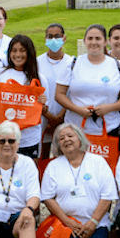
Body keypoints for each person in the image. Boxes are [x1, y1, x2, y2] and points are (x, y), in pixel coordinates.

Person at [41, 123, 117, 238]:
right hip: (66, 223)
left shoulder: (98, 162)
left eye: (70, 136)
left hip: (96, 222)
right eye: (61, 138)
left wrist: (93, 222)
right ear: (58, 145)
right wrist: (67, 221)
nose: (66, 140)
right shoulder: (53, 166)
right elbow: (48, 198)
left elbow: (108, 195)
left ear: (80, 139)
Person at [55, 24, 120, 147]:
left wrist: (108, 108)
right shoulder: (72, 64)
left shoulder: (118, 66)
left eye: (98, 39)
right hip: (76, 129)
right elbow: (59, 94)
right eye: (90, 38)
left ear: (105, 42)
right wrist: (78, 110)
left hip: (109, 128)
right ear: (85, 41)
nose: (94, 42)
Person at [0, 34, 50, 160]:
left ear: (29, 53)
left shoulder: (39, 78)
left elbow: (45, 111)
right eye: (14, 51)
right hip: (4, 138)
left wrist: (41, 103)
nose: (18, 55)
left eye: (22, 51)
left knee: (29, 174)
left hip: (29, 138)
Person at [38, 23, 73, 158]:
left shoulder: (72, 63)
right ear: (45, 39)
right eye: (50, 36)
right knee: (43, 156)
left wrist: (59, 117)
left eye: (57, 36)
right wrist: (49, 117)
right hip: (43, 117)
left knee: (64, 155)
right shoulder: (37, 62)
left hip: (65, 116)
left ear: (64, 38)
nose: (53, 40)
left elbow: (72, 92)